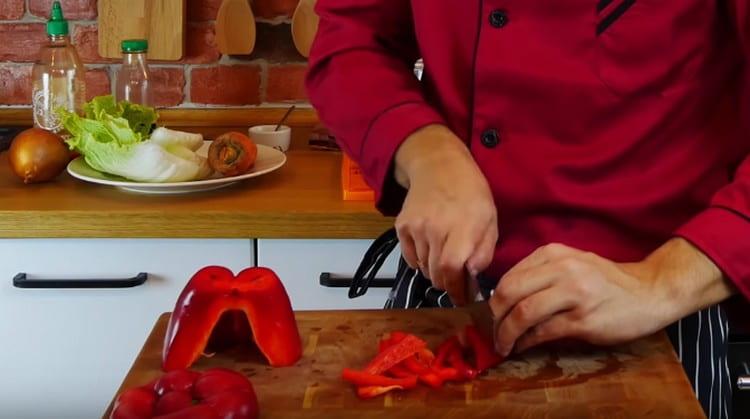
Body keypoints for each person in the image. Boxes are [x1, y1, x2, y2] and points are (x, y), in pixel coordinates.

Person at [305, 2, 750, 417]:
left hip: (653, 324)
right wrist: (427, 152)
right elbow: (351, 40)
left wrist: (663, 281)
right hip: (440, 300)